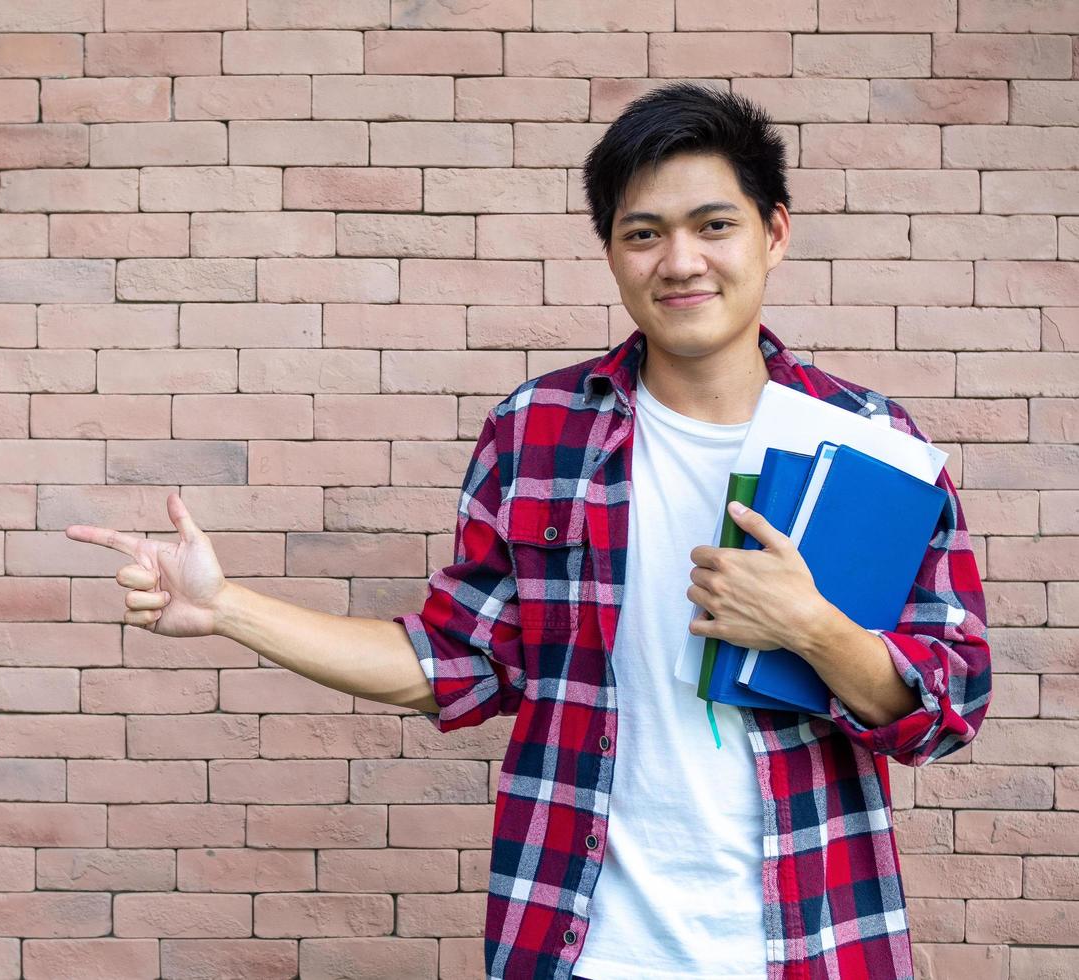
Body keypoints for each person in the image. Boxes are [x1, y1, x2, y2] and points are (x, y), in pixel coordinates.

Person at [66, 82, 992, 980]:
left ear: (773, 233)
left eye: (714, 225)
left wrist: (813, 628)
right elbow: (452, 664)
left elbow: (946, 709)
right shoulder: (538, 431)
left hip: (815, 944)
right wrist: (226, 609)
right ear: (611, 251)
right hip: (580, 947)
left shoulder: (871, 445)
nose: (680, 261)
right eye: (643, 233)